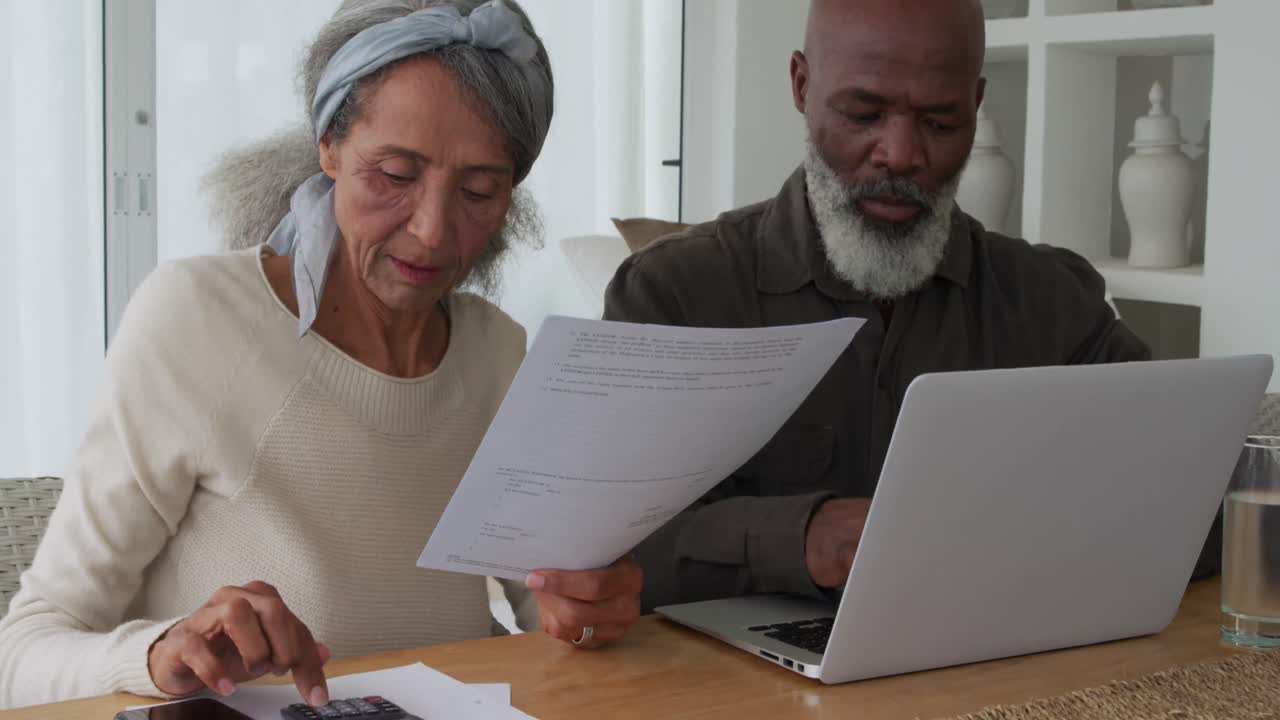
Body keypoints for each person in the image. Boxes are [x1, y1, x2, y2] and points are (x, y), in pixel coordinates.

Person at [0, 0, 641, 709]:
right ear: (328, 146)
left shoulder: (497, 351)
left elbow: (545, 618)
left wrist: (591, 614)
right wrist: (156, 654)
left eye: (480, 191)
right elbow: (23, 651)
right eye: (394, 175)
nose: (433, 233)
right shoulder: (199, 322)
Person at [605, 0, 1216, 612]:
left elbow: (1198, 502)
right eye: (864, 113)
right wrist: (806, 538)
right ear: (801, 84)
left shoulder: (1049, 301)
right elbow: (605, 547)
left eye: (941, 123)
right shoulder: (676, 293)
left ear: (975, 106)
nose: (900, 154)